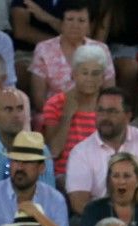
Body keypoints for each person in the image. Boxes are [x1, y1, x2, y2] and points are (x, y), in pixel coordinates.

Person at [64, 86, 138, 219]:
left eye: (112, 111)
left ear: (128, 116)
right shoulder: (81, 152)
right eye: (100, 110)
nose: (105, 117)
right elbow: (79, 202)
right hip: (102, 224)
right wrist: (113, 224)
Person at [39, 41, 108, 181]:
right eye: (84, 73)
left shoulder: (108, 107)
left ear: (102, 78)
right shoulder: (55, 104)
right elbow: (53, 152)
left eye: (95, 74)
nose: (90, 79)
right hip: (65, 175)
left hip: (101, 175)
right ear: (74, 74)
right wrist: (67, 115)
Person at [29, 0, 112, 107]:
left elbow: (109, 92)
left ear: (89, 25)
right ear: (61, 22)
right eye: (70, 19)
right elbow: (39, 99)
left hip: (92, 114)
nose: (75, 25)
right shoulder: (43, 49)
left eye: (81, 20)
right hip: (53, 113)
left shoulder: (101, 49)